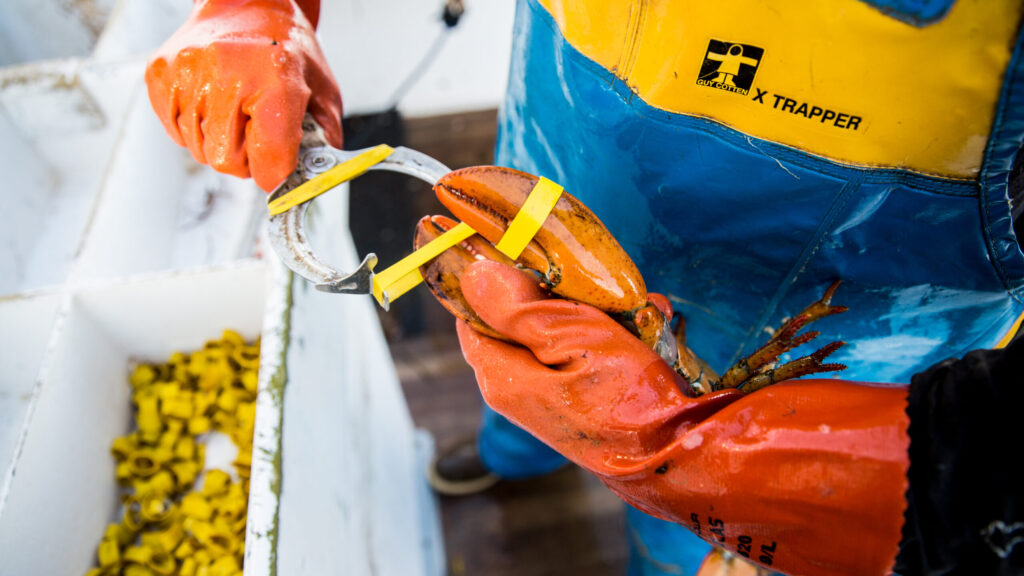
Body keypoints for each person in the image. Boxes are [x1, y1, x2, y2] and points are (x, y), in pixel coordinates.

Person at [145, 0, 1024, 574]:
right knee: (497, 324)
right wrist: (257, 8)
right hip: (566, 119)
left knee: (687, 522)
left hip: (864, 271)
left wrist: (705, 460)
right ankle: (512, 454)